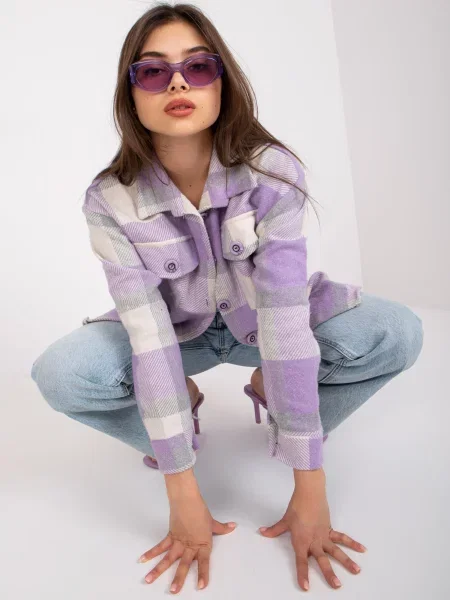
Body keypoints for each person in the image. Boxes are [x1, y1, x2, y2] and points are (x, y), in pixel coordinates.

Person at [30, 2, 424, 594]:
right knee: (61, 375)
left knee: (398, 333)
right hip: (174, 336)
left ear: (222, 82)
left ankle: (275, 396)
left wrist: (310, 487)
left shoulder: (272, 173)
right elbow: (149, 335)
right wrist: (181, 489)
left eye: (197, 67)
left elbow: (285, 322)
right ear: (131, 94)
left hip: (266, 325)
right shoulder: (109, 200)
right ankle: (180, 418)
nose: (178, 83)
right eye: (153, 72)